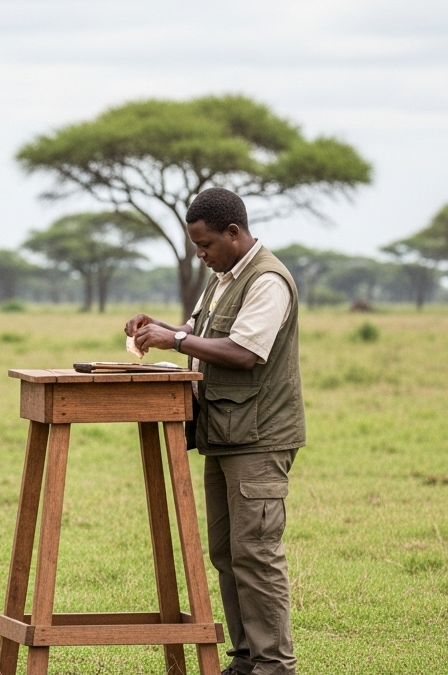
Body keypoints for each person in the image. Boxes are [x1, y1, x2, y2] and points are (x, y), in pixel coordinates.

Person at [124, 187, 304, 675]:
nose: (200, 256)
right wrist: (157, 327)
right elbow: (204, 337)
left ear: (233, 232)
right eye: (196, 247)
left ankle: (274, 666)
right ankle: (246, 660)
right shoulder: (225, 278)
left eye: (205, 245)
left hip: (259, 439)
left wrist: (176, 338)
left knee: (257, 555)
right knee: (227, 553)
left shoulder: (268, 280)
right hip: (224, 434)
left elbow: (245, 353)